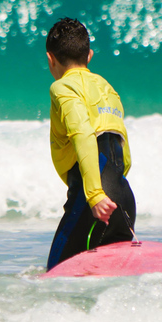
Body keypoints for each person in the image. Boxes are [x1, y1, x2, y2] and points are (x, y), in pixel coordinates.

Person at [45, 18, 136, 271]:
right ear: (90, 55)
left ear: (50, 59)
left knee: (56, 277)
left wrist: (95, 194)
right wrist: (113, 188)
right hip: (123, 200)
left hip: (92, 203)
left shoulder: (62, 88)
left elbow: (83, 133)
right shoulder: (107, 87)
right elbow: (122, 146)